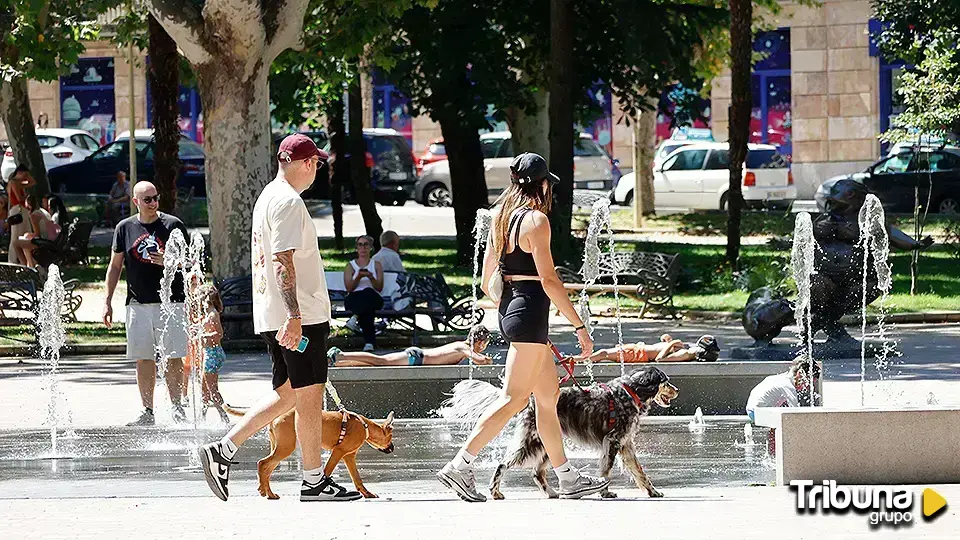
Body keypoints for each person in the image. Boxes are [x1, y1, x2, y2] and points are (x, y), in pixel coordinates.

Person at [196, 134, 360, 503]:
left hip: (274, 313)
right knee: (309, 396)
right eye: (316, 162)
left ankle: (224, 450)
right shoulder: (287, 201)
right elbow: (282, 261)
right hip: (296, 315)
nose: (317, 168)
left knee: (288, 393)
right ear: (305, 164)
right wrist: (295, 316)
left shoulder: (268, 197)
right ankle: (312, 480)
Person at [437, 152, 608, 503]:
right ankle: (460, 464)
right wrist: (579, 326)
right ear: (543, 183)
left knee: (547, 398)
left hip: (511, 308)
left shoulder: (501, 218)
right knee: (513, 399)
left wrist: (510, 307)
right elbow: (549, 279)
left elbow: (488, 281)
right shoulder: (536, 221)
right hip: (530, 313)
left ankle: (567, 477)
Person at [103, 181, 188, 426]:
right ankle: (147, 411)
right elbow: (115, 266)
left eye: (155, 197)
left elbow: (189, 263)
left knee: (173, 356)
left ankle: (177, 408)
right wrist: (107, 301)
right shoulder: (124, 228)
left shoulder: (173, 225)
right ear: (136, 202)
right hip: (138, 303)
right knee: (144, 358)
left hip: (171, 303)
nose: (153, 203)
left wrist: (169, 261)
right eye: (147, 199)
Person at [328, 325, 493, 367]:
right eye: (485, 345)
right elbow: (477, 359)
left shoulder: (462, 348)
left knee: (378, 363)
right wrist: (487, 360)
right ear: (479, 342)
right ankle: (340, 355)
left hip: (417, 358)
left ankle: (339, 362)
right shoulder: (462, 347)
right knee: (381, 361)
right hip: (416, 356)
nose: (483, 348)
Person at [183, 282, 229, 425]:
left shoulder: (212, 315)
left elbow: (219, 334)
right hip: (209, 353)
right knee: (204, 388)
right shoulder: (209, 314)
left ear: (204, 299)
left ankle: (224, 416)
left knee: (212, 389)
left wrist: (202, 336)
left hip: (212, 354)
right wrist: (197, 329)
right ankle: (202, 418)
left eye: (196, 298)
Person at [746, 357, 822, 422]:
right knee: (789, 421)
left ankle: (773, 438)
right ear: (800, 374)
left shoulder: (780, 378)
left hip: (752, 409)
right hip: (758, 414)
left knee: (780, 417)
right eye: (808, 381)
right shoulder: (788, 386)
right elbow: (795, 411)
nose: (807, 386)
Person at [343, 235, 384, 352]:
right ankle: (369, 342)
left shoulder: (376, 265)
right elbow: (349, 288)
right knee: (367, 310)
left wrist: (371, 277)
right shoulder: (350, 266)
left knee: (368, 292)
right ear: (356, 248)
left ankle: (355, 317)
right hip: (354, 299)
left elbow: (379, 287)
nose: (363, 248)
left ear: (370, 247)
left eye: (366, 244)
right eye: (360, 245)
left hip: (373, 298)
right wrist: (358, 277)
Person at [588, 334, 720, 363]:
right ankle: (582, 360)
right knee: (602, 354)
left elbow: (660, 359)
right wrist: (668, 341)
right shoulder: (686, 351)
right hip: (638, 350)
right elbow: (663, 351)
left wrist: (672, 343)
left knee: (602, 353)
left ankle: (577, 361)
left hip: (638, 354)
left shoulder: (686, 354)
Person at [14, 194, 62, 267]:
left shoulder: (34, 215)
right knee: (25, 242)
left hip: (45, 241)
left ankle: (24, 266)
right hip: (51, 239)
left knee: (16, 243)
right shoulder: (43, 212)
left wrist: (28, 235)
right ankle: (30, 265)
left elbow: (37, 234)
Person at [6, 166, 36, 264]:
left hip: (23, 210)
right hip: (17, 210)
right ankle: (13, 261)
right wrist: (26, 197)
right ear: (19, 172)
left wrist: (28, 176)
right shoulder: (14, 182)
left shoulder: (20, 183)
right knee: (15, 236)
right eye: (24, 174)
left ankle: (24, 260)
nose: (25, 177)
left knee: (25, 234)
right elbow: (19, 198)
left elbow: (33, 182)